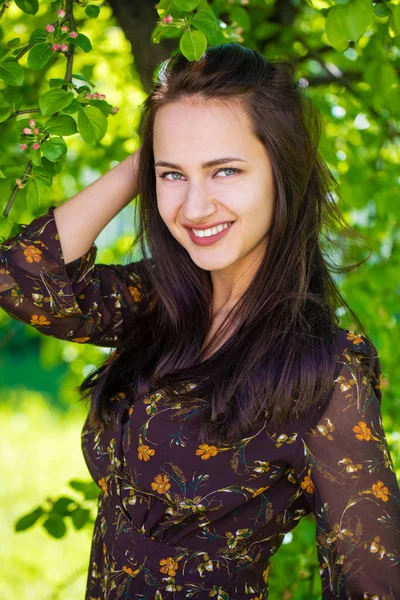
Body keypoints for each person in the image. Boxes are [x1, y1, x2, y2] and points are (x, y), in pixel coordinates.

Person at [0, 43, 399, 600]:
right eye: (172, 176)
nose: (194, 207)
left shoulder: (325, 371)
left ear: (284, 169)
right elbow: (24, 280)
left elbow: (375, 581)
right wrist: (154, 151)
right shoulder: (162, 298)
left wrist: (175, 152)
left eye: (225, 170)